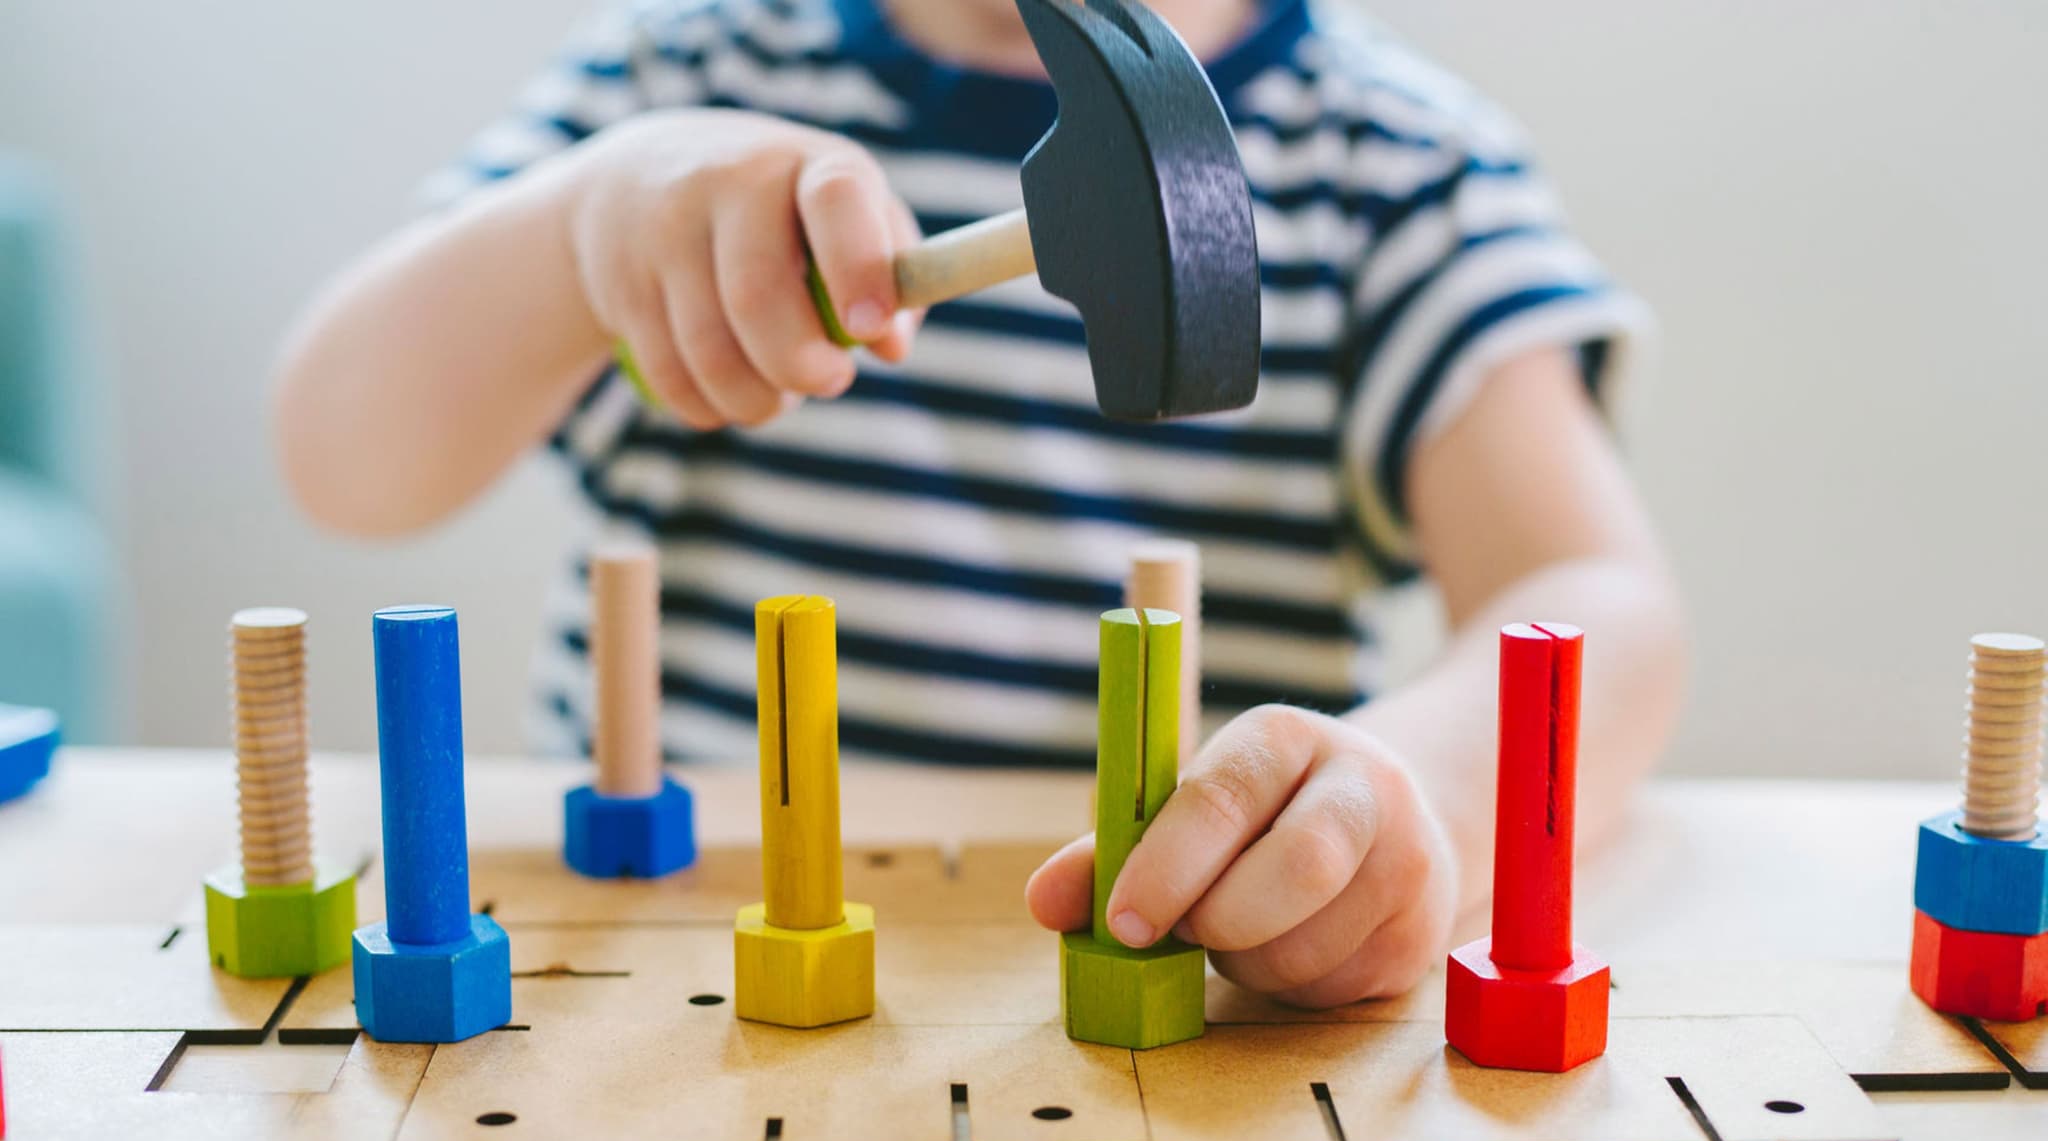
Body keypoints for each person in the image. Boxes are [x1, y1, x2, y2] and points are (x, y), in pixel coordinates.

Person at [272, 0, 1685, 1007]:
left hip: (1167, 991)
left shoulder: (1393, 167)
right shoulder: (682, 77)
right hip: (661, 962)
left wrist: (1417, 792)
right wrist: (578, 235)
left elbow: (1598, 606)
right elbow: (341, 457)